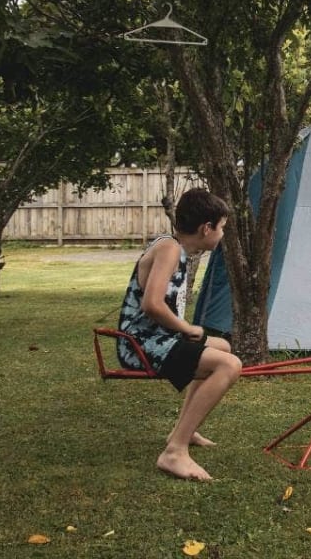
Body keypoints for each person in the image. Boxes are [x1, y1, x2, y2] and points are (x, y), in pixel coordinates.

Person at [117, 188, 242, 481]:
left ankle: (182, 430)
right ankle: (175, 451)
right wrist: (189, 329)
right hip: (141, 343)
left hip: (158, 338)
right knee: (229, 365)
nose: (222, 235)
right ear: (206, 228)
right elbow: (151, 304)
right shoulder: (169, 249)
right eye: (221, 228)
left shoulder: (175, 249)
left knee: (223, 347)